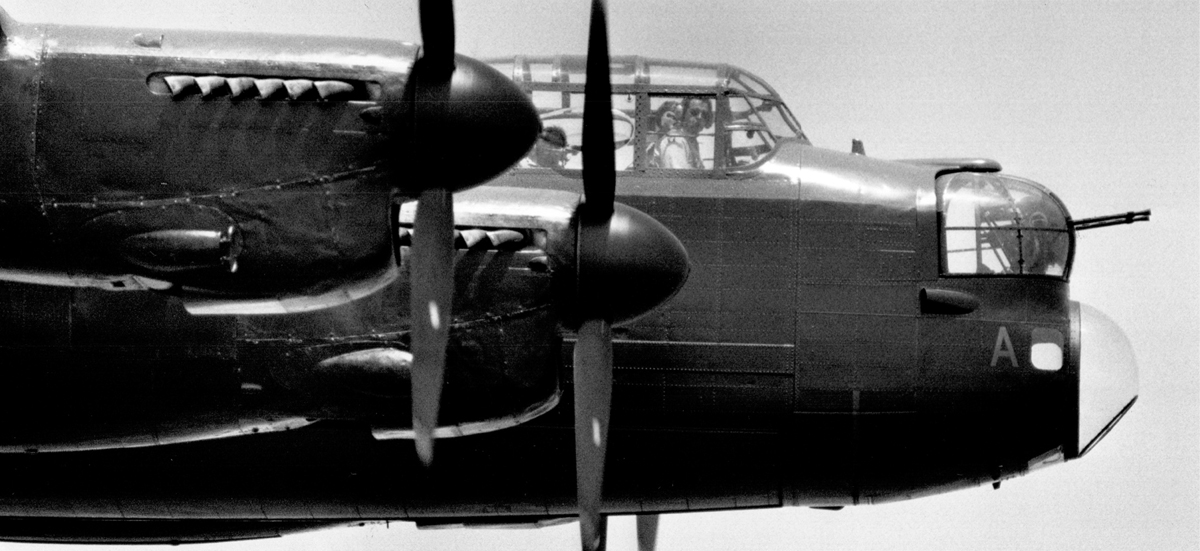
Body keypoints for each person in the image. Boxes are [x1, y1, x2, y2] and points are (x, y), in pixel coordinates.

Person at [648, 98, 712, 169]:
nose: (700, 117)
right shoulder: (676, 141)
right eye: (694, 112)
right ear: (683, 114)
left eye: (705, 115)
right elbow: (678, 176)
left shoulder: (690, 140)